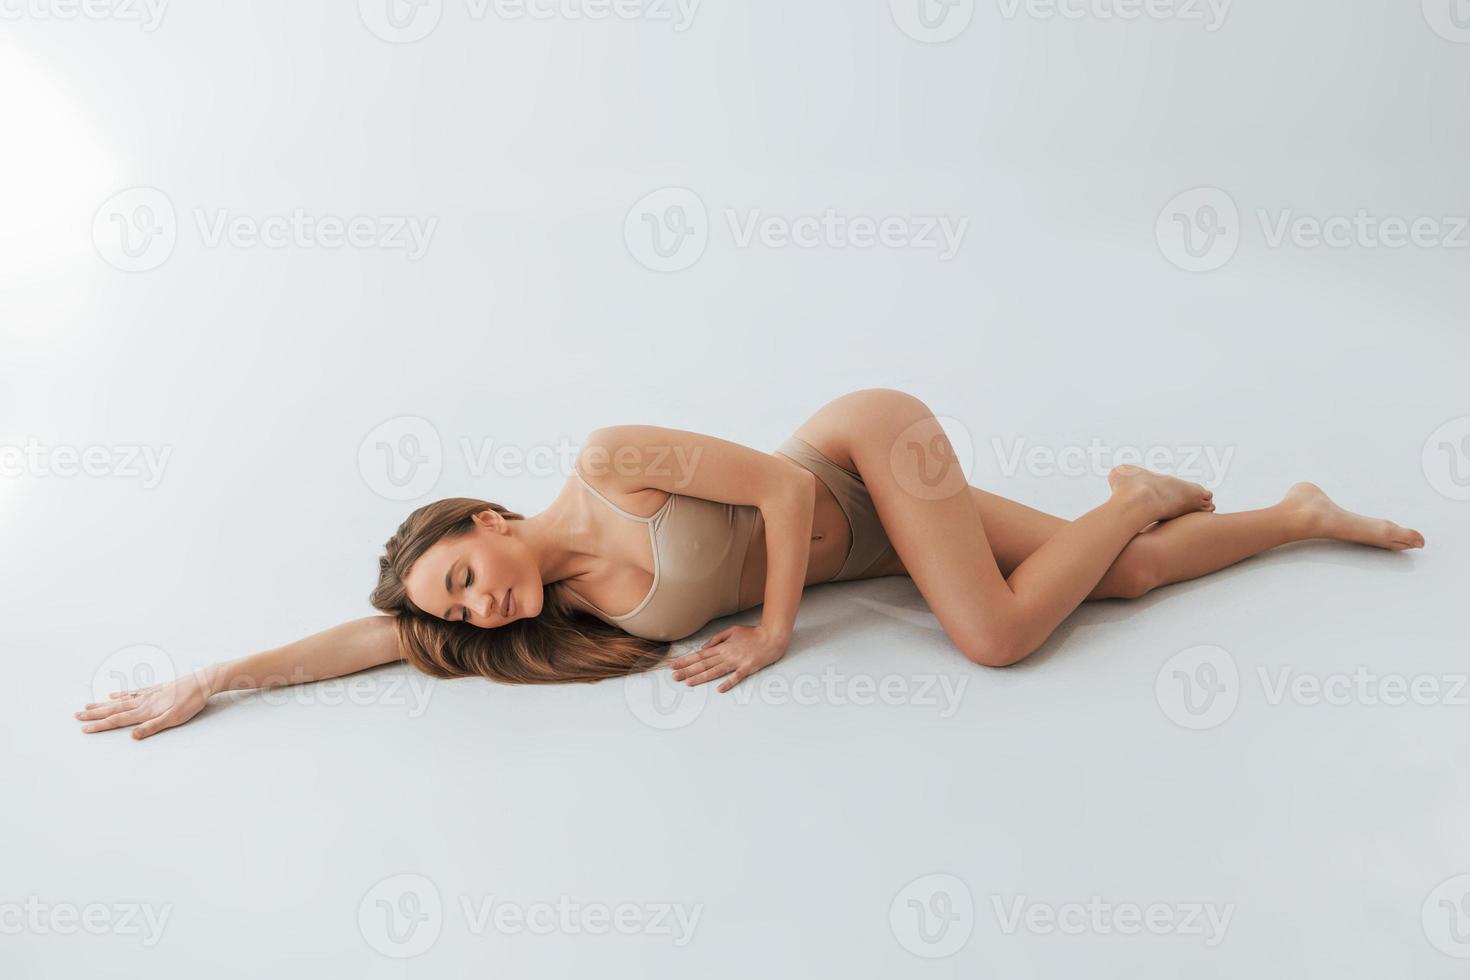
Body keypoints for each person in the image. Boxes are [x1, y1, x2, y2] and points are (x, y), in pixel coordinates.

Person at [75, 389, 1424, 740]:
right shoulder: (552, 611)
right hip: (886, 539)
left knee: (999, 637)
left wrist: (776, 632)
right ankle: (1298, 513)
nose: (482, 609)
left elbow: (782, 485)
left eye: (465, 575)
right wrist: (214, 680)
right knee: (1117, 582)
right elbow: (372, 636)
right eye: (463, 616)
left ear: (482, 519)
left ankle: (1131, 491)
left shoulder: (608, 460)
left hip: (863, 455)